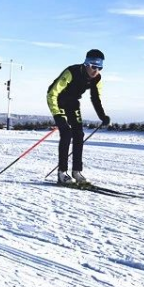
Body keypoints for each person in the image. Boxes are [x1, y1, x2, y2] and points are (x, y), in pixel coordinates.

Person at [47, 49, 110, 185]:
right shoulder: (72, 71)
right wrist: (57, 116)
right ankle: (62, 173)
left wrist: (102, 116)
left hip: (73, 104)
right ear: (87, 64)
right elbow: (52, 93)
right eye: (94, 67)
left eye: (100, 68)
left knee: (79, 134)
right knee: (66, 133)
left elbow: (96, 98)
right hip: (59, 101)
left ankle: (77, 171)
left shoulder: (97, 78)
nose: (96, 71)